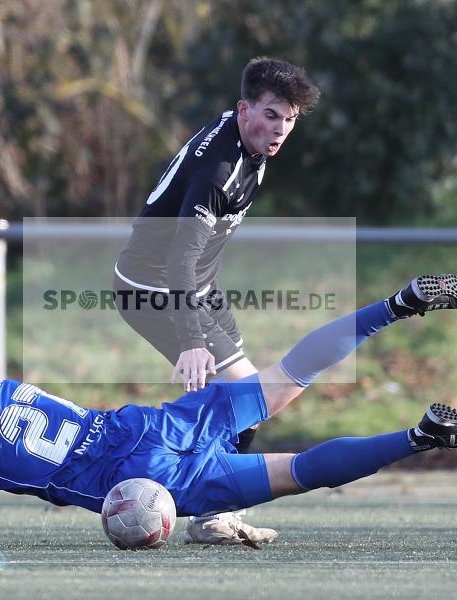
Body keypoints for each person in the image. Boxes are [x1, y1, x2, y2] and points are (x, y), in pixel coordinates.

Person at [0, 274, 457, 547]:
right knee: (288, 376)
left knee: (298, 471)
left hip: (149, 481)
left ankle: (418, 435)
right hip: (152, 424)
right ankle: (397, 305)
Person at [113, 56, 321, 543]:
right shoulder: (221, 168)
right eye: (271, 115)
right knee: (246, 394)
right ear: (243, 108)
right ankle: (201, 509)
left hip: (196, 287)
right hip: (152, 287)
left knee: (241, 400)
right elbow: (179, 262)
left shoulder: (251, 148)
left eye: (289, 119)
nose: (280, 129)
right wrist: (191, 340)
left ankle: (195, 496)